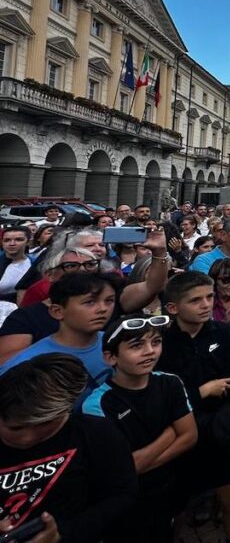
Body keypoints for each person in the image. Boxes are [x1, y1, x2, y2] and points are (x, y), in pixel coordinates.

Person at [84, 314, 198, 543]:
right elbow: (121, 468)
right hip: (130, 501)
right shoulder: (97, 404)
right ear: (110, 357)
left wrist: (138, 462)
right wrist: (168, 434)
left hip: (170, 486)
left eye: (156, 342)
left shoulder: (170, 382)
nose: (149, 351)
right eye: (137, 345)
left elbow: (189, 436)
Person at [0, 354, 137, 542]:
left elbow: (121, 494)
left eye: (44, 424)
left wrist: (62, 534)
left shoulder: (95, 434)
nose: (27, 437)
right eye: (15, 428)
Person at [158, 271, 230, 543]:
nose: (206, 304)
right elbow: (162, 396)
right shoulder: (161, 343)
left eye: (209, 297)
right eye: (195, 300)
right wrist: (201, 391)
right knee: (175, 506)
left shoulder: (221, 331)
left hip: (217, 429)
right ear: (173, 308)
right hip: (177, 436)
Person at [0, 273, 117, 403]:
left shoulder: (116, 343)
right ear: (57, 311)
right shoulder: (29, 364)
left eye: (109, 300)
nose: (103, 309)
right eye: (90, 302)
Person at [0, 226, 32, 304]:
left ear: (28, 242)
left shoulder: (35, 264)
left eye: (18, 240)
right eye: (7, 240)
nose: (12, 244)